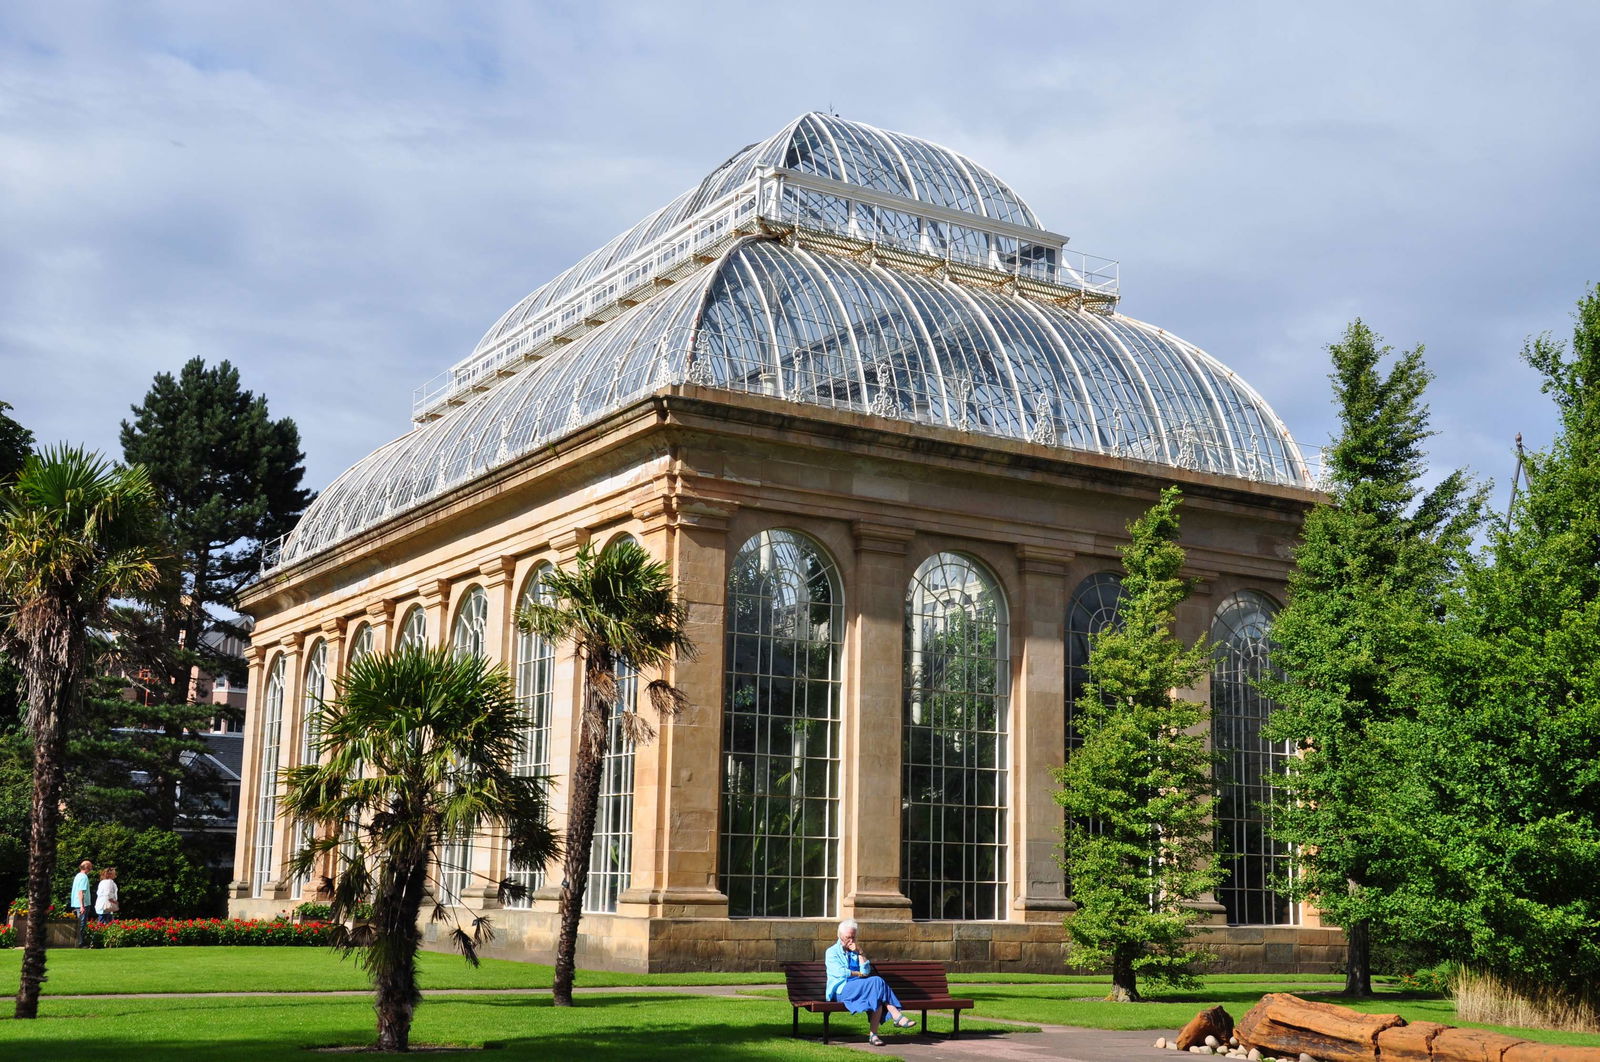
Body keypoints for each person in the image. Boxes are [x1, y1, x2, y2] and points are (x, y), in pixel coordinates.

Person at [824, 919, 916, 1046]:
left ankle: (874, 1036)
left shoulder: (855, 951)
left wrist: (860, 952)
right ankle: (896, 1015)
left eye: (853, 937)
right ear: (839, 935)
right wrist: (858, 974)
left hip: (860, 987)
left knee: (876, 996)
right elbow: (840, 972)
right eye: (847, 937)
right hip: (842, 990)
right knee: (877, 981)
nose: (851, 940)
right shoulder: (831, 952)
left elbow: (866, 971)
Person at [69, 859, 93, 947]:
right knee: (81, 924)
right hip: (82, 904)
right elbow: (81, 892)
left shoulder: (78, 875)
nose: (91, 869)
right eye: (90, 867)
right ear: (87, 868)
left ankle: (79, 942)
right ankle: (79, 943)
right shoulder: (84, 877)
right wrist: (82, 906)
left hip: (76, 903)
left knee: (80, 924)